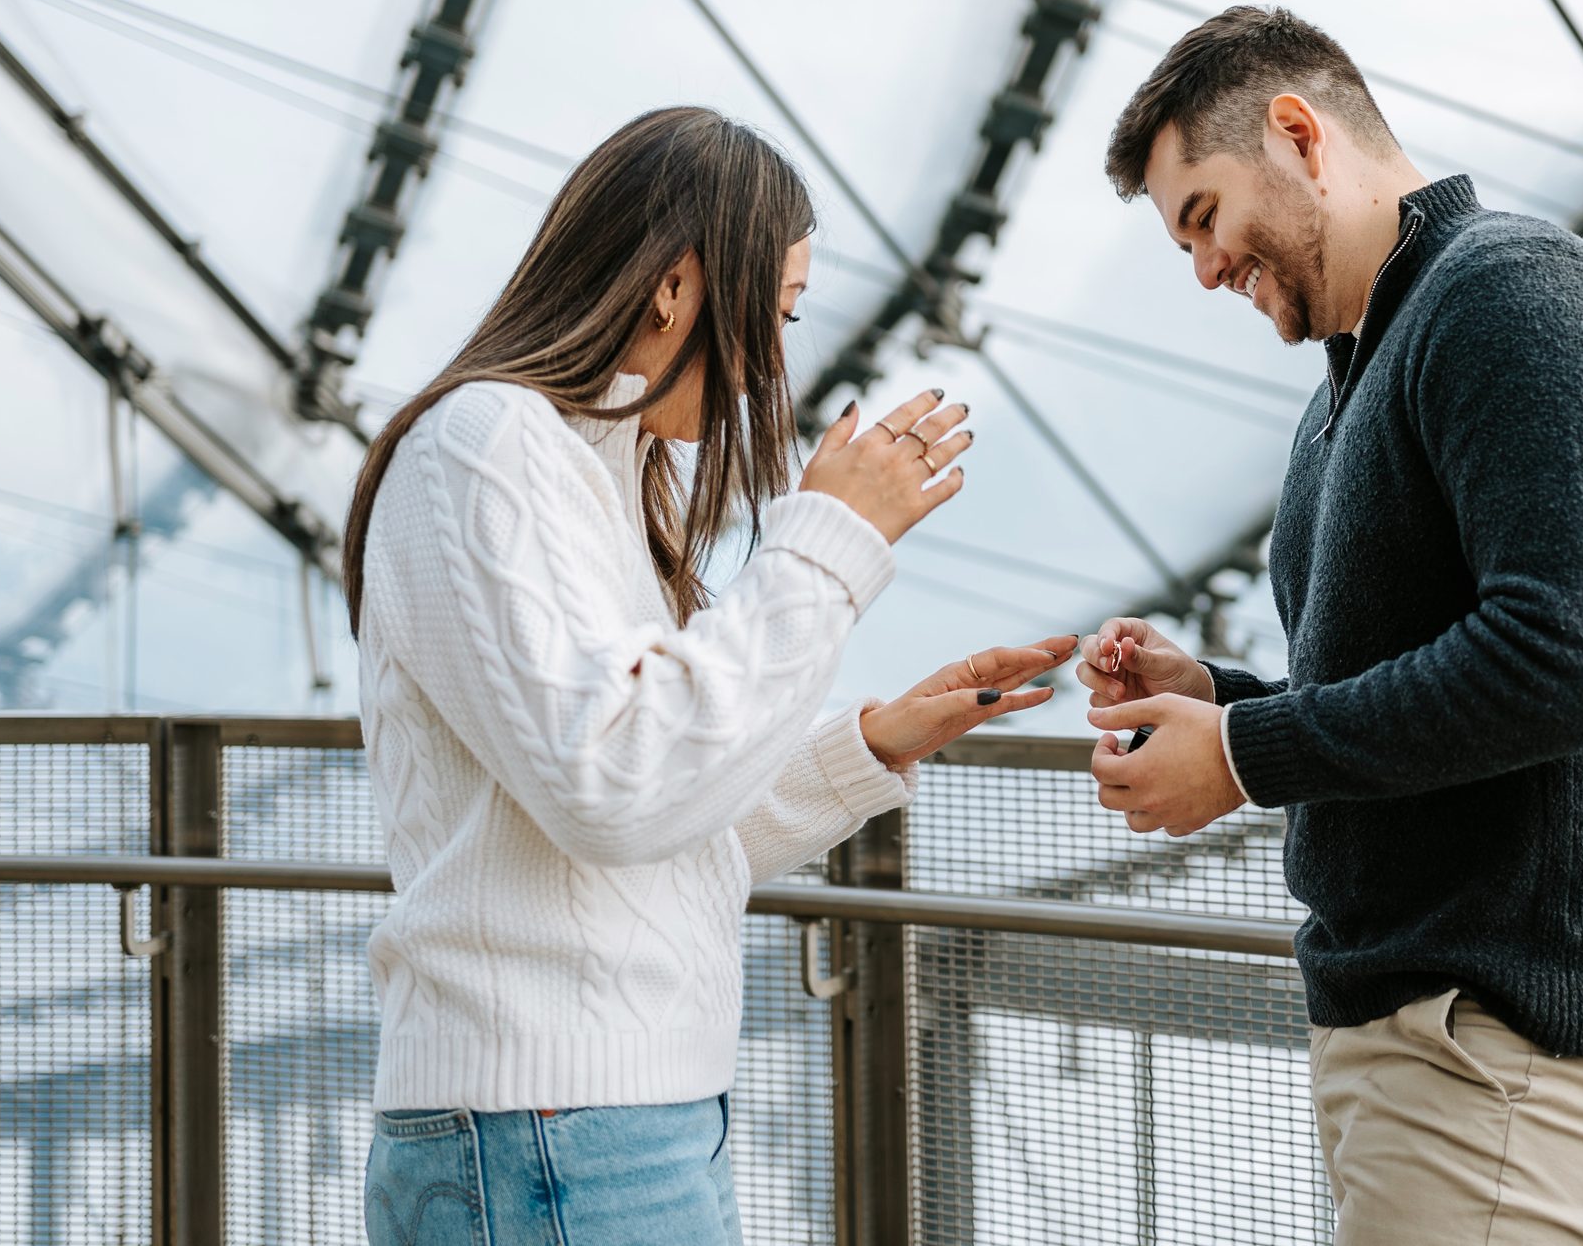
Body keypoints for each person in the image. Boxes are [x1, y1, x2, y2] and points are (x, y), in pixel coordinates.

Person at [342, 105, 1075, 1246]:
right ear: (677, 285)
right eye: (775, 311)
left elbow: (659, 832)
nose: (777, 361)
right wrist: (826, 545)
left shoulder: (593, 465)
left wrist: (868, 746)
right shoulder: (486, 444)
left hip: (604, 1121)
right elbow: (616, 786)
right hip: (552, 1132)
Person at [1078, 8, 1583, 1244]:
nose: (1203, 268)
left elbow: (1570, 661)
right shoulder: (1355, 380)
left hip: (1502, 1037)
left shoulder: (1511, 296)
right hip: (1439, 1032)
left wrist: (1249, 758)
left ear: (1299, 135)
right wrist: (1224, 703)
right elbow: (1402, 689)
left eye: (1203, 216)